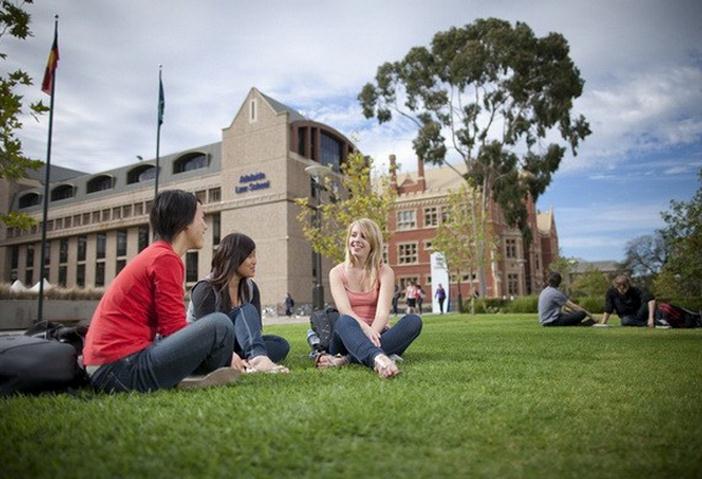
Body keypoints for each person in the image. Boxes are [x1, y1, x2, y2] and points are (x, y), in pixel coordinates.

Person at [83, 190, 243, 393]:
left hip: (110, 366)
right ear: (184, 222)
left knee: (220, 331)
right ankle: (202, 375)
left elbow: (167, 329)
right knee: (220, 325)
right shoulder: (164, 259)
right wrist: (226, 353)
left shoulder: (157, 254)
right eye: (201, 218)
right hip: (119, 369)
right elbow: (173, 329)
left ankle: (199, 373)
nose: (204, 225)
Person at [317, 218, 422, 378]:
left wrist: (372, 332)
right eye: (353, 235)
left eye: (363, 237)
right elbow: (345, 310)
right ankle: (378, 358)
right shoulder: (336, 273)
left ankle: (345, 360)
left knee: (414, 321)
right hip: (347, 336)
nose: (356, 240)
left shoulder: (385, 271)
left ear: (373, 243)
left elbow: (382, 314)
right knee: (345, 320)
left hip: (377, 334)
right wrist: (366, 331)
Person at [189, 233, 290, 373]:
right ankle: (257, 359)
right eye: (250, 256)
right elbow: (206, 334)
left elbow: (255, 332)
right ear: (233, 258)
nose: (255, 261)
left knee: (280, 344)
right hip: (206, 348)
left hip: (237, 344)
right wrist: (228, 354)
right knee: (245, 310)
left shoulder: (251, 288)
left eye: (254, 255)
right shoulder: (205, 289)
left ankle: (247, 361)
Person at [601, 275, 666, 328]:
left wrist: (650, 318)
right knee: (625, 321)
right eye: (620, 289)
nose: (623, 290)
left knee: (649, 302)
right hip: (627, 317)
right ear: (616, 286)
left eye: (625, 288)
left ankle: (656, 320)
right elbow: (608, 308)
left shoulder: (636, 289)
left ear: (628, 284)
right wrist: (603, 323)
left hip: (640, 313)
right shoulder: (611, 293)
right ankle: (654, 323)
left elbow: (651, 299)